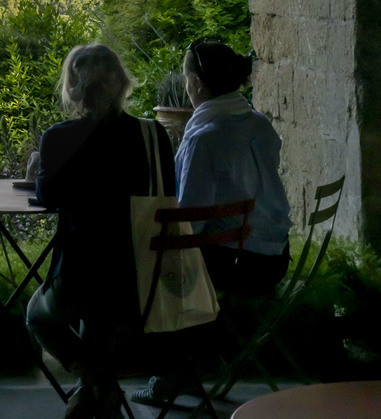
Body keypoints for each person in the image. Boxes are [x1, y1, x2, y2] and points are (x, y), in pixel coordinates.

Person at [28, 43, 173, 419]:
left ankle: (92, 378)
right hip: (142, 278)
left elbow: (47, 196)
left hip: (79, 280)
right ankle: (98, 386)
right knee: (101, 320)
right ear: (122, 83)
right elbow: (167, 194)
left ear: (73, 88)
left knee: (37, 315)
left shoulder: (59, 137)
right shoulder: (153, 136)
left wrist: (38, 167)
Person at [175, 38, 291, 294]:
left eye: (186, 79)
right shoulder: (260, 125)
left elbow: (191, 222)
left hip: (237, 264)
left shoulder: (203, 140)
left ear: (196, 82)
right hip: (277, 256)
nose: (186, 87)